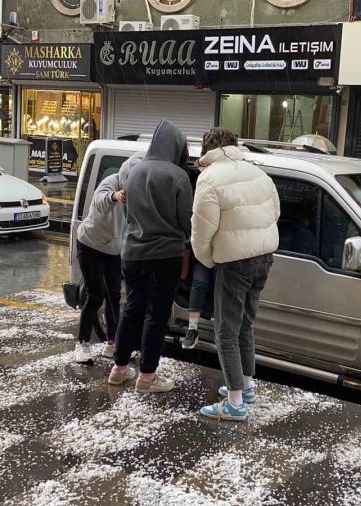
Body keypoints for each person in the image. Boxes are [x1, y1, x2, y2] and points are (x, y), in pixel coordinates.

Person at [191, 128, 280, 421]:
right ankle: (247, 385)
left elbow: (201, 229)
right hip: (264, 258)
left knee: (225, 330)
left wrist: (208, 259)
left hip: (233, 262)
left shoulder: (209, 179)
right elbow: (275, 212)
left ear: (207, 150)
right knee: (245, 325)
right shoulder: (258, 173)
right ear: (234, 145)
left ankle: (234, 402)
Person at [107, 120, 192, 393]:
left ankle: (119, 369)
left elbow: (128, 214)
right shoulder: (177, 176)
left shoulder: (134, 171)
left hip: (132, 253)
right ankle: (147, 376)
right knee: (156, 315)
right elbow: (187, 220)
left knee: (132, 308)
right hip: (164, 255)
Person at [73, 169, 128, 364]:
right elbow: (99, 201)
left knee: (114, 296)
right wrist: (115, 196)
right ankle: (82, 343)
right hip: (90, 245)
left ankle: (112, 343)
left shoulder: (140, 190)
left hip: (113, 249)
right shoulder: (112, 181)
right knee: (95, 295)